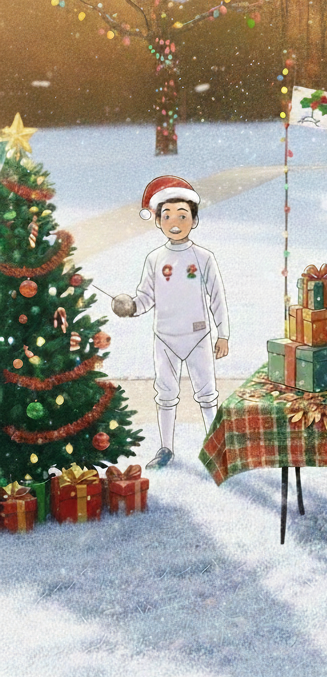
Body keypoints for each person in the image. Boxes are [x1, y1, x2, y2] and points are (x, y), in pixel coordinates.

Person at [111, 176, 230, 469]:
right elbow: (145, 297)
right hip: (165, 338)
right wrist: (131, 307)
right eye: (167, 216)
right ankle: (165, 448)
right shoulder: (154, 259)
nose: (174, 221)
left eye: (182, 215)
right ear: (158, 221)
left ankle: (216, 448)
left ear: (194, 220)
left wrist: (223, 335)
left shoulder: (203, 258)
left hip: (198, 336)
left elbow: (217, 297)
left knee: (207, 394)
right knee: (165, 394)